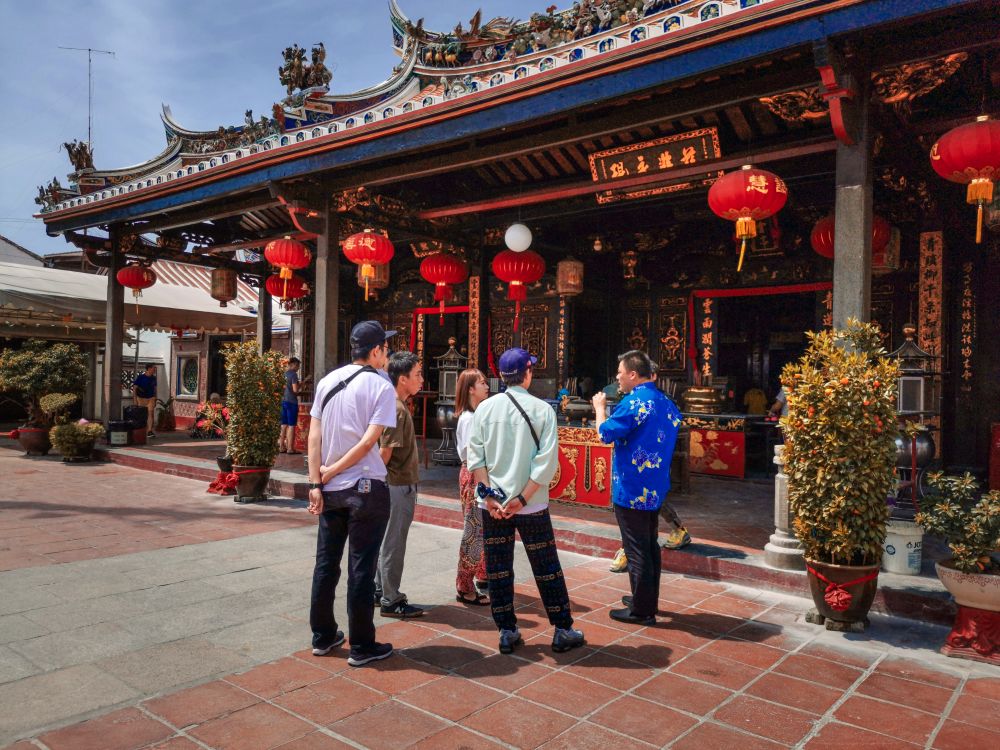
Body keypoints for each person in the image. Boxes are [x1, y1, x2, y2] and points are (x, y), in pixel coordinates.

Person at [467, 347, 585, 655]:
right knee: (546, 566)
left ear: (502, 378)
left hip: (493, 506)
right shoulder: (543, 410)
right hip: (531, 505)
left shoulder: (485, 409)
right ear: (528, 374)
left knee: (498, 568)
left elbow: (474, 458)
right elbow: (546, 464)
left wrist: (490, 496)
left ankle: (506, 630)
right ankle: (562, 628)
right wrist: (522, 498)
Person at [307, 320, 397, 667]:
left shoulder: (327, 381)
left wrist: (317, 481)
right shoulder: (381, 386)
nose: (386, 354)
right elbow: (367, 443)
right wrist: (331, 472)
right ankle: (361, 645)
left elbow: (313, 436)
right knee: (361, 567)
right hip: (365, 488)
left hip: (330, 489)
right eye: (385, 348)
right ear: (375, 351)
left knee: (326, 564)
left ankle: (323, 636)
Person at [593, 349, 682, 626]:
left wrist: (599, 408)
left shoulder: (634, 403)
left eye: (620, 372)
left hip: (632, 487)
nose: (617, 377)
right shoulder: (665, 401)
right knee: (649, 544)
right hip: (654, 486)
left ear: (633, 374)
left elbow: (604, 433)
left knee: (636, 548)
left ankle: (642, 610)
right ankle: (645, 599)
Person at [374, 351, 425, 619]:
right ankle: (391, 598)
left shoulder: (395, 406)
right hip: (397, 485)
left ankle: (380, 588)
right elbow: (385, 454)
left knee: (388, 540)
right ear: (402, 378)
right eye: (417, 374)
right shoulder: (396, 409)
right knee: (394, 542)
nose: (421, 380)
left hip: (394, 484)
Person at [454, 368, 490, 606]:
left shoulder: (477, 415)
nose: (487, 386)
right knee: (473, 531)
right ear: (470, 389)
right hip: (474, 475)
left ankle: (482, 572)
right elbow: (471, 453)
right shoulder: (469, 419)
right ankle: (464, 585)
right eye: (482, 383)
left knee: (481, 528)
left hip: (479, 474)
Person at [279, 357, 302, 454]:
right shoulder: (293, 375)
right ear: (293, 365)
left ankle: (281, 447)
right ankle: (290, 448)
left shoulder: (284, 374)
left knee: (284, 425)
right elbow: (295, 390)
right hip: (291, 402)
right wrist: (301, 384)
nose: (298, 368)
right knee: (292, 425)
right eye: (297, 366)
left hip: (283, 401)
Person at [132, 363, 157, 438]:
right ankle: (140, 430)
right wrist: (135, 399)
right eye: (154, 368)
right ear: (149, 369)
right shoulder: (141, 377)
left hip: (151, 398)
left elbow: (155, 389)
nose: (155, 369)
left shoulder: (154, 378)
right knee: (142, 415)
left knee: (150, 413)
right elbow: (135, 388)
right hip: (141, 398)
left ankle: (149, 431)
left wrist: (155, 398)